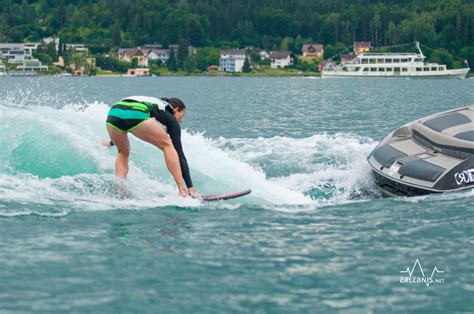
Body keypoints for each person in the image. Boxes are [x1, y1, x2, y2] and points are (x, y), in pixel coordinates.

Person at [103, 95, 198, 197]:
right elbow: (179, 153)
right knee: (168, 145)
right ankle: (182, 191)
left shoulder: (154, 103)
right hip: (136, 112)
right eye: (181, 116)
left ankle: (119, 189)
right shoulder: (170, 117)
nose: (180, 120)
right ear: (175, 110)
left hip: (113, 113)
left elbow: (126, 118)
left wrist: (112, 142)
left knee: (123, 152)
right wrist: (190, 187)